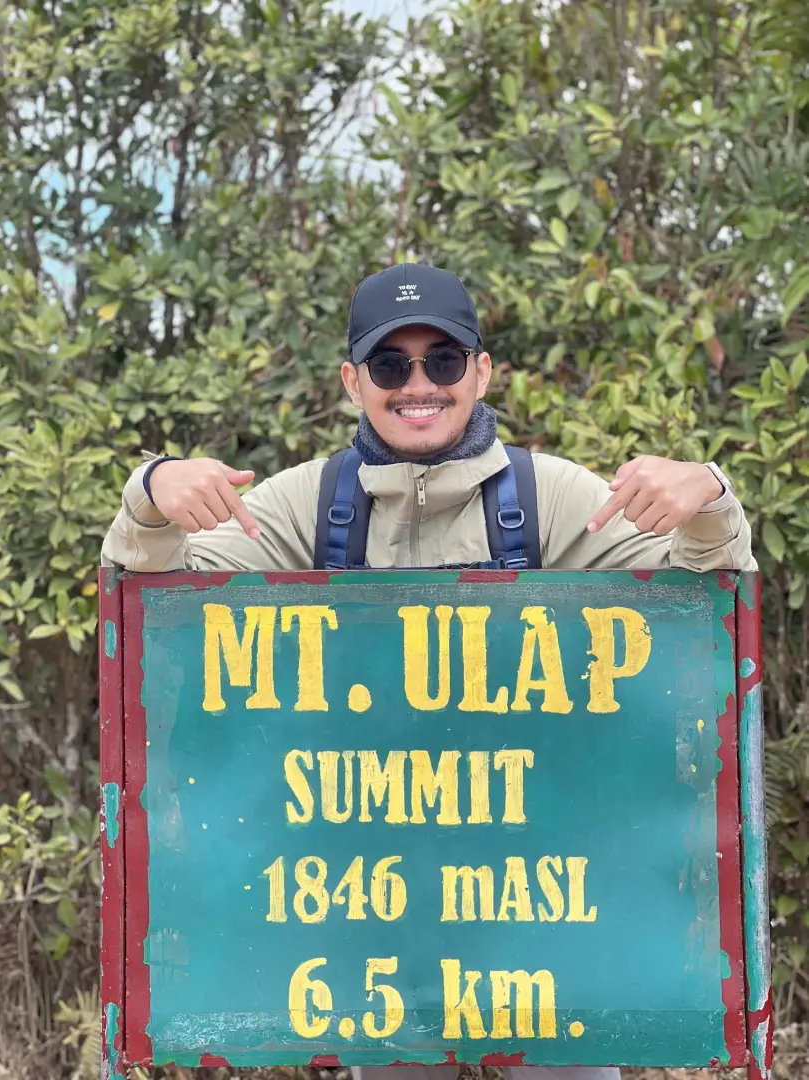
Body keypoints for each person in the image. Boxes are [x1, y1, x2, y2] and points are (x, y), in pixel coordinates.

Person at [102, 263, 756, 1080]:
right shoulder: (306, 504)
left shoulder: (549, 498)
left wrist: (710, 496)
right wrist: (153, 492)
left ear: (481, 372)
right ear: (353, 382)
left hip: (547, 929)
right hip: (377, 936)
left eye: (443, 361)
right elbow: (154, 605)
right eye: (390, 365)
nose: (419, 384)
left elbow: (702, 601)